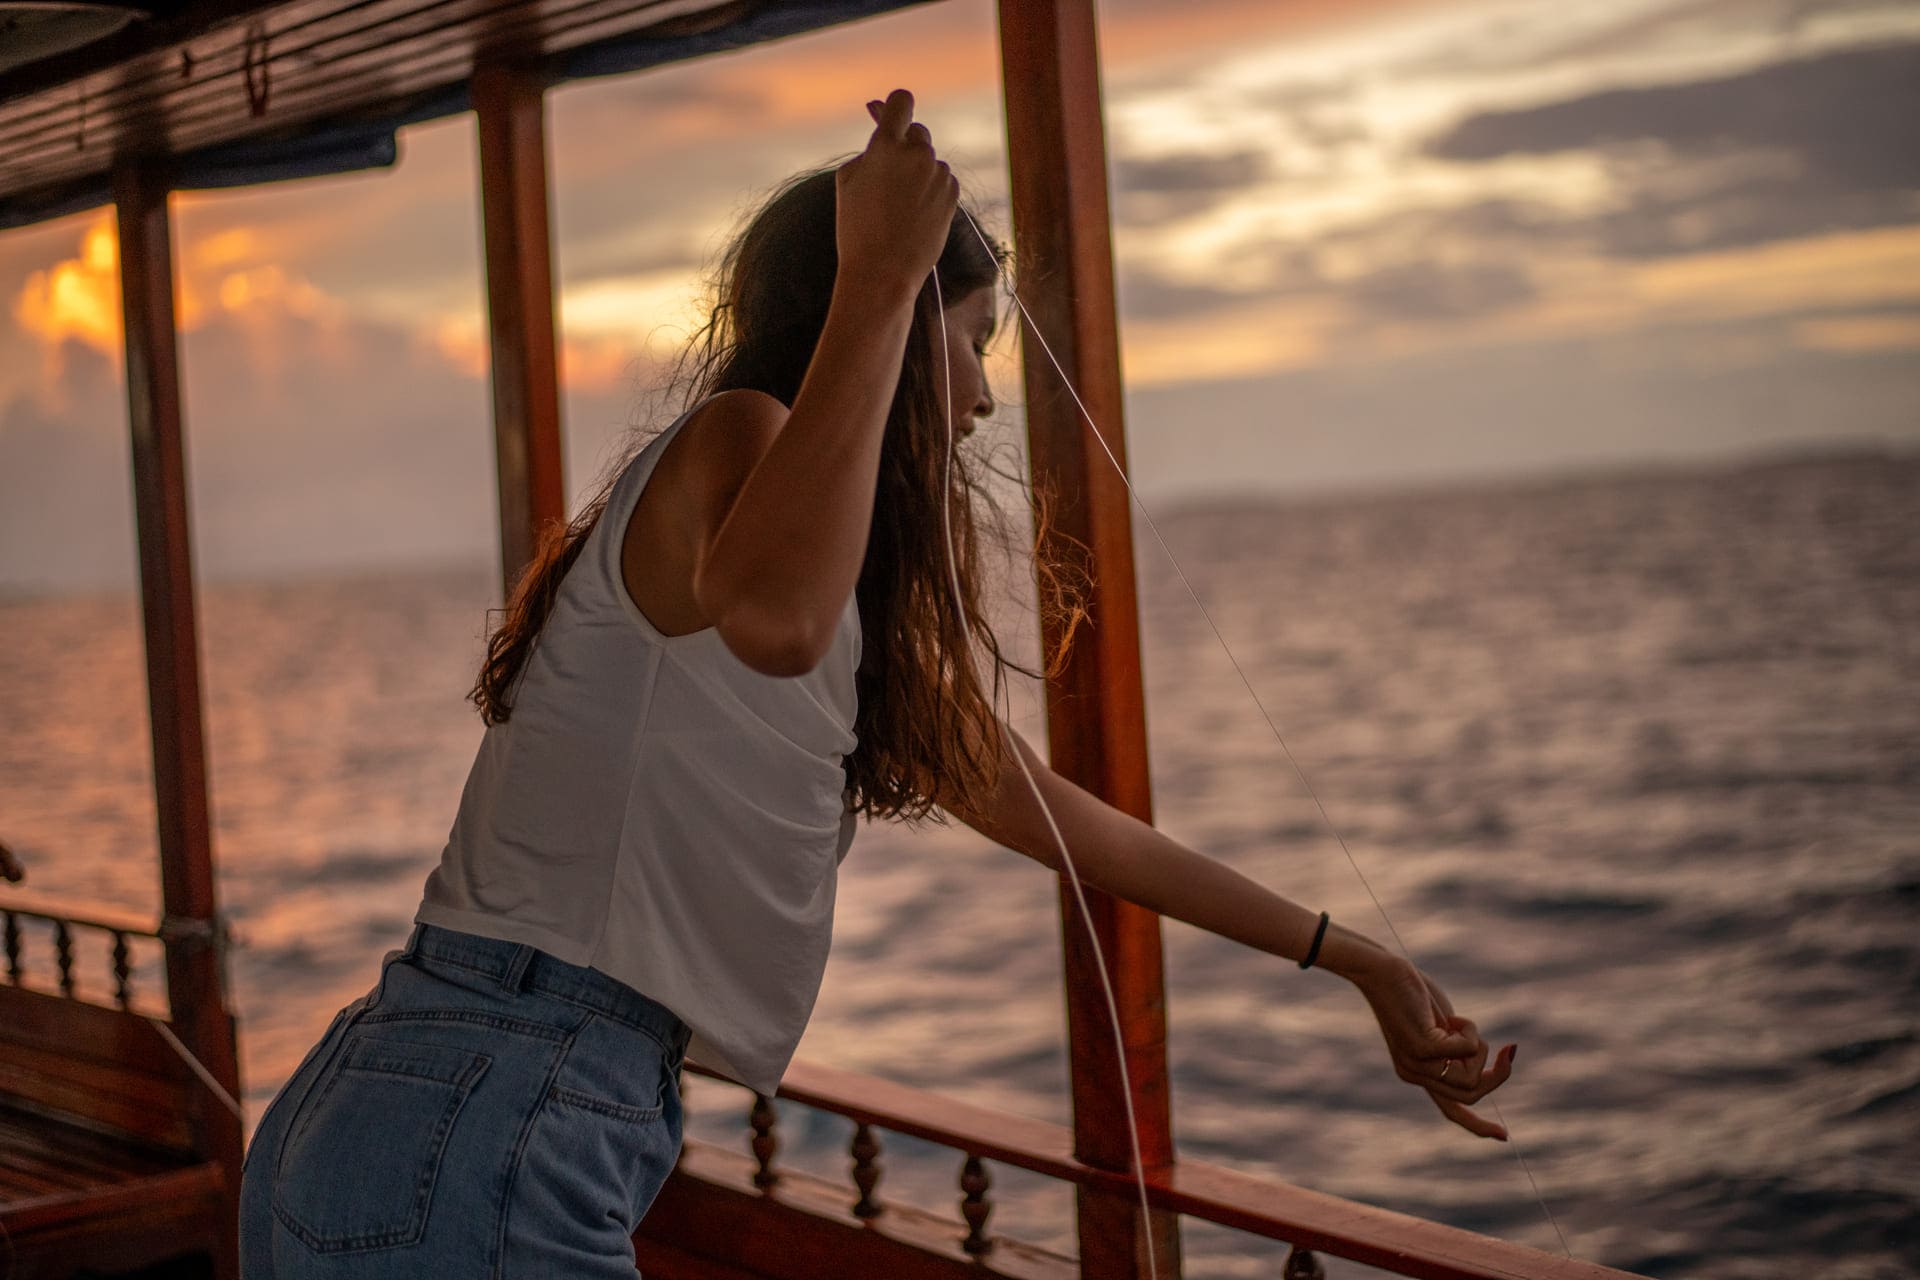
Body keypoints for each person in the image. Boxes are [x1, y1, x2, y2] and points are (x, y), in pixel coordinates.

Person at [236, 89, 1514, 1277]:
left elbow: (1033, 804)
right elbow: (777, 618)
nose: (982, 395)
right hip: (496, 1100)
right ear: (889, 318)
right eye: (971, 342)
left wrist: (1353, 961)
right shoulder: (741, 439)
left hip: (445, 1095)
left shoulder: (795, 549)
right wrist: (886, 275)